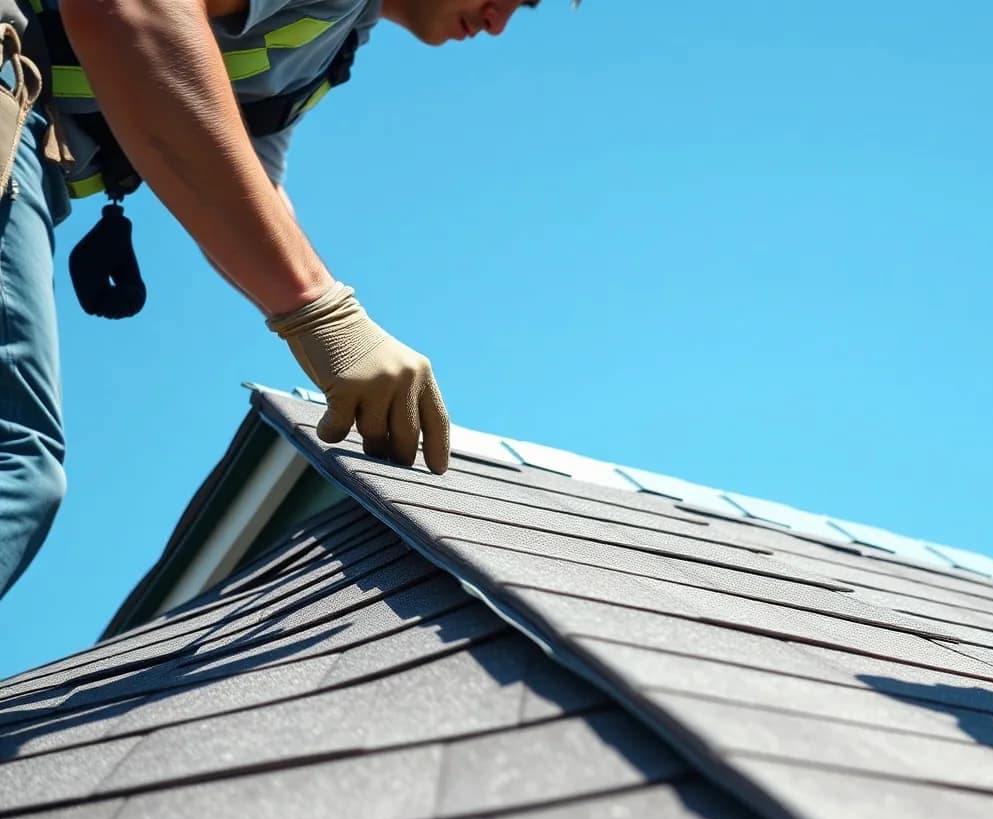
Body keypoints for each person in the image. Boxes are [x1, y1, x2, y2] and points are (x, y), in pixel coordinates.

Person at [0, 0, 567, 603]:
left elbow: (249, 186)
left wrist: (342, 324)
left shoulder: (329, 42)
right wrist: (324, 314)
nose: (500, 21)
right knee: (15, 462)